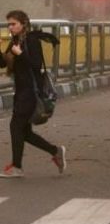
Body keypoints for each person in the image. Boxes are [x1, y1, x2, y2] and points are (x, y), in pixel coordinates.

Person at [0, 10, 66, 178]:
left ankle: (17, 167)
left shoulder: (31, 40)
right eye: (9, 24)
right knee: (25, 132)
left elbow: (36, 65)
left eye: (13, 24)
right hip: (21, 91)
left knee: (16, 126)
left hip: (31, 91)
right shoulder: (15, 41)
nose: (10, 27)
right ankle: (55, 151)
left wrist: (20, 54)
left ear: (23, 24)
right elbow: (3, 64)